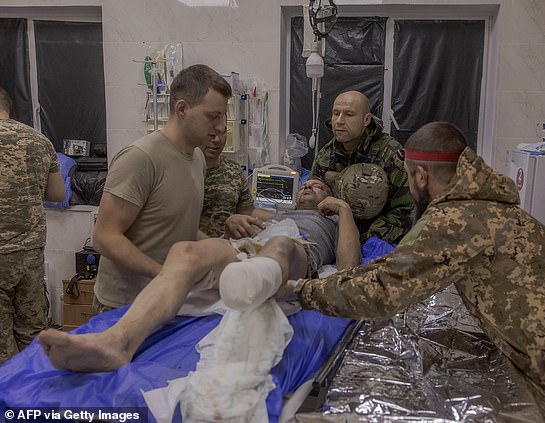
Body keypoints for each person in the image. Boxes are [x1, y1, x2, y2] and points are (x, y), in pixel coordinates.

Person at [293, 122, 545, 422]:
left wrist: (303, 291)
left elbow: (383, 288)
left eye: (410, 179)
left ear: (420, 176)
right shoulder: (490, 206)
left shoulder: (457, 219)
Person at [37, 178, 360, 372]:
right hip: (244, 247)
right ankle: (117, 343)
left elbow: (348, 270)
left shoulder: (329, 222)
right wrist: (233, 220)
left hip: (293, 249)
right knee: (185, 250)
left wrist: (344, 211)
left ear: (327, 200)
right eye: (305, 184)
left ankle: (255, 280)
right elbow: (239, 224)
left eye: (316, 186)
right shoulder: (276, 211)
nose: (307, 186)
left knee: (279, 244)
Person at [92, 64, 232, 313]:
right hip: (124, 305)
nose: (221, 127)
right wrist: (165, 275)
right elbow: (105, 237)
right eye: (213, 116)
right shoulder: (141, 158)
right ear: (182, 109)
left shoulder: (197, 158)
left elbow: (175, 228)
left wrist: (218, 250)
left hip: (167, 299)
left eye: (223, 116)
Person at [0, 86, 66, 365]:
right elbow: (57, 194)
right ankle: (37, 400)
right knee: (33, 333)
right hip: (29, 254)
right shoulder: (39, 140)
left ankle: (8, 405)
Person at [311, 90, 415, 244]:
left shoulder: (389, 154)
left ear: (366, 119)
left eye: (349, 114)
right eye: (336, 113)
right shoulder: (326, 155)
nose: (339, 121)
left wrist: (364, 239)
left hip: (378, 236)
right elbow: (314, 201)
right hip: (337, 232)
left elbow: (404, 211)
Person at [198, 131, 273, 238]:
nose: (217, 140)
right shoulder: (183, 170)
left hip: (229, 246)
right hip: (192, 248)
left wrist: (285, 219)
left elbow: (247, 211)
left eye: (221, 133)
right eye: (211, 134)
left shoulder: (233, 170)